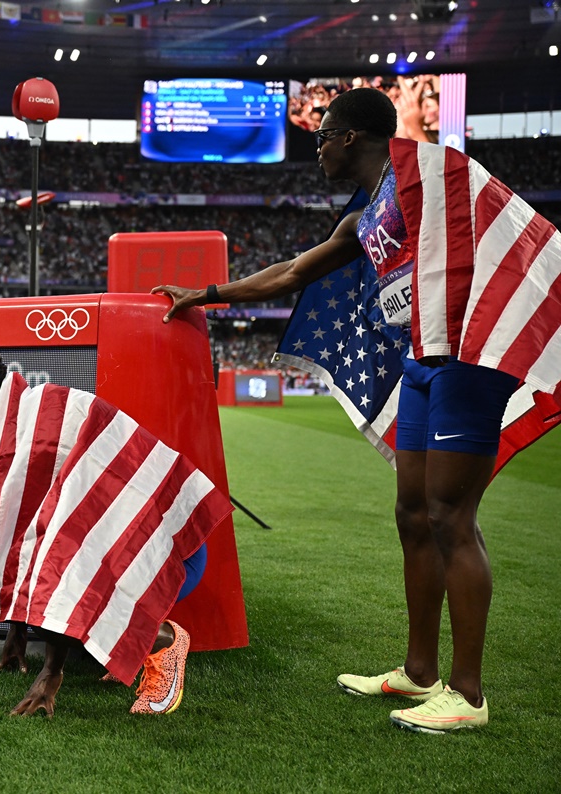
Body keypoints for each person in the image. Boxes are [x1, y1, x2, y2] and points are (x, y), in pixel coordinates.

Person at [153, 87, 554, 733]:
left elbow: (501, 230)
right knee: (413, 515)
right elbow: (290, 273)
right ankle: (420, 672)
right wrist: (205, 294)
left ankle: (469, 694)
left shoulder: (433, 174)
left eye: (321, 138)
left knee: (452, 516)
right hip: (423, 362)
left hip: (469, 360)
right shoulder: (366, 213)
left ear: (348, 138)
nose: (316, 152)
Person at [0, 343, 223, 718]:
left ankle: (164, 643)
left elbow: (66, 551)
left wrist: (50, 673)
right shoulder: (1, 436)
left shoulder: (47, 432)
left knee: (49, 584)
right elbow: (8, 538)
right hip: (109, 549)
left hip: (164, 553)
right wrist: (16, 631)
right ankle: (117, 639)